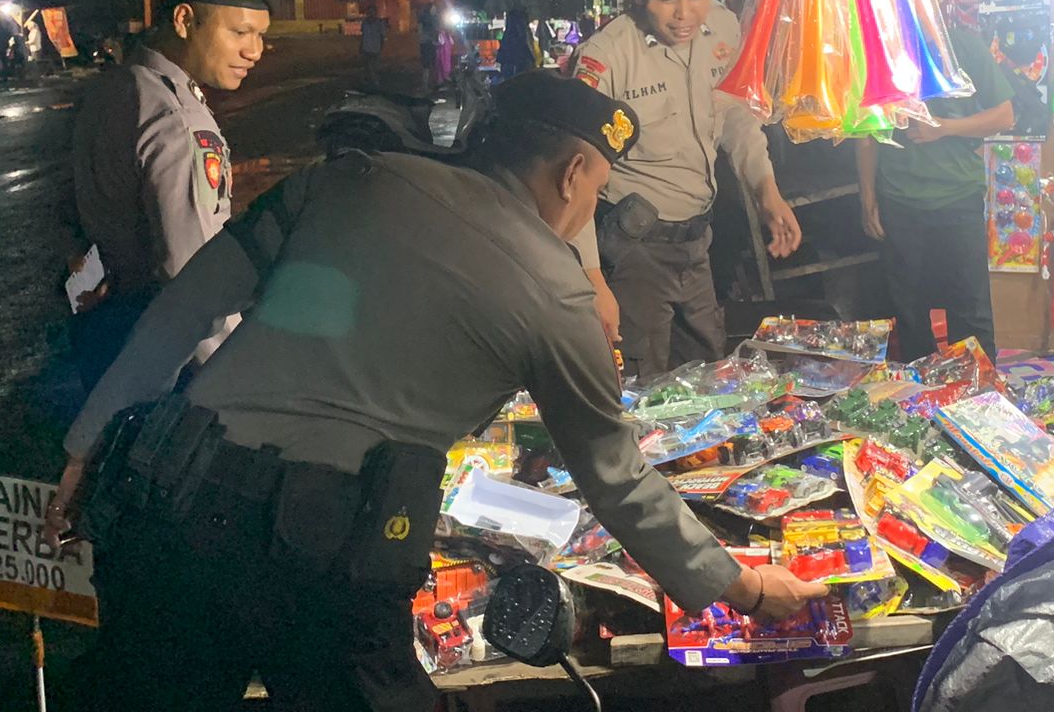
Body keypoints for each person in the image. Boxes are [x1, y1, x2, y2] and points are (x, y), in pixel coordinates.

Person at [46, 71, 825, 712]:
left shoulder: (340, 181)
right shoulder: (557, 296)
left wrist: (84, 449)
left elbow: (180, 309)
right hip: (321, 548)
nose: (592, 210)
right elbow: (614, 476)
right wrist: (741, 585)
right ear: (572, 174)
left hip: (172, 502)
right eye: (598, 190)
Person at [571, 0, 802, 377]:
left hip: (698, 244)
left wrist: (766, 191)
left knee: (706, 374)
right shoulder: (607, 57)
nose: (684, 15)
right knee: (640, 380)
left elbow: (735, 117)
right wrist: (592, 279)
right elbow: (578, 173)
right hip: (634, 252)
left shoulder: (723, 28)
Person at [69, 0, 275, 392]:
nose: (254, 51)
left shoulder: (113, 88)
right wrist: (246, 381)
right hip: (170, 365)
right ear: (184, 20)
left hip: (102, 339)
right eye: (241, 32)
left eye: (261, 36)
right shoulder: (177, 121)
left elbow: (72, 222)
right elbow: (192, 275)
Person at [856, 20, 1014, 361]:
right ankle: (920, 398)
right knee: (909, 311)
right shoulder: (881, 51)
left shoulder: (964, 47)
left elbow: (1004, 116)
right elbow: (866, 132)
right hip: (898, 198)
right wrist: (867, 196)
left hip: (959, 197)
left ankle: (979, 396)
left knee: (970, 309)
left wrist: (944, 128)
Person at [358, 4, 389, 91]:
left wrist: (381, 47)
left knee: (374, 67)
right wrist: (361, 46)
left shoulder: (379, 23)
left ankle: (376, 83)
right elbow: (363, 35)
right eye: (368, 12)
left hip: (375, 48)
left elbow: (383, 36)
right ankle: (368, 84)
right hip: (366, 48)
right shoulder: (364, 23)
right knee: (366, 67)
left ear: (375, 13)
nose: (370, 14)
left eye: (372, 12)